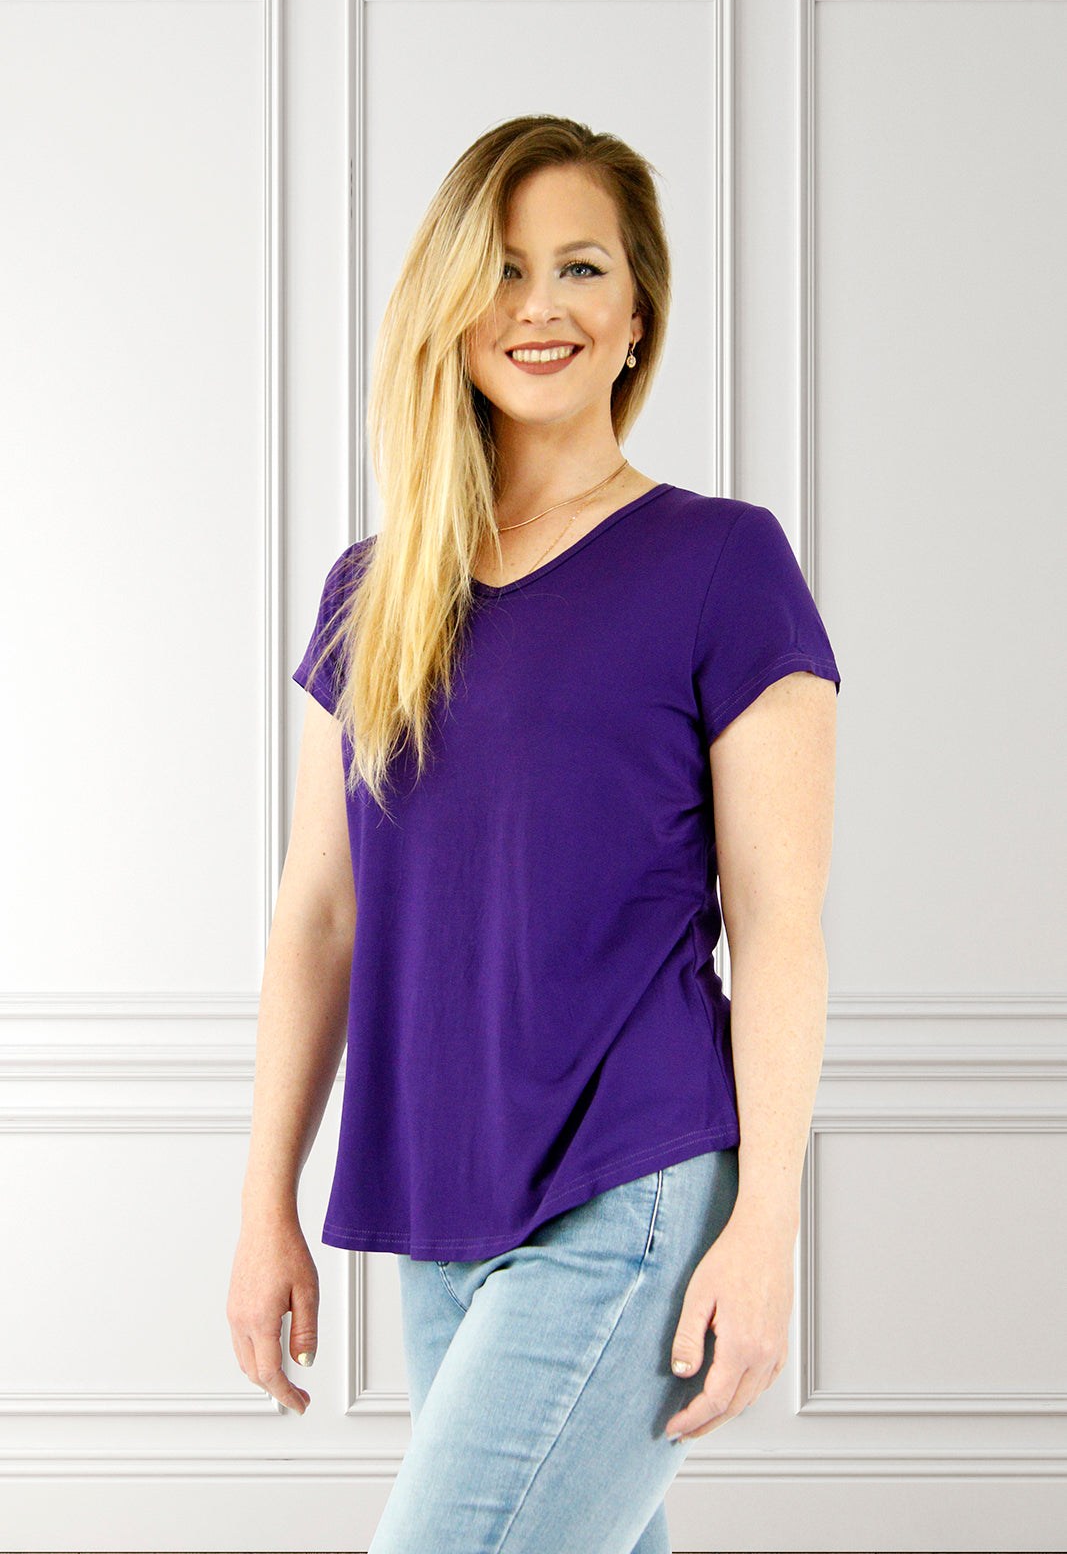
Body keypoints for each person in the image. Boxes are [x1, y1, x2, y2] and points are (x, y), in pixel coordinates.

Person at [227, 114, 840, 1554]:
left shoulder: (722, 562)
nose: (539, 305)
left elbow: (782, 928)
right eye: (501, 269)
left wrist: (767, 1227)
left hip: (634, 1188)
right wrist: (264, 1203)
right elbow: (320, 916)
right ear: (451, 306)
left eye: (581, 267)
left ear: (637, 316)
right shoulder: (373, 592)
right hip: (439, 1211)